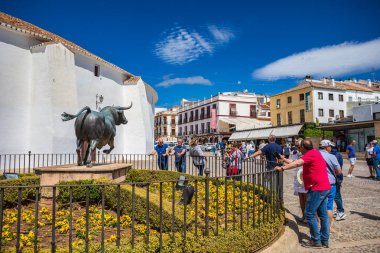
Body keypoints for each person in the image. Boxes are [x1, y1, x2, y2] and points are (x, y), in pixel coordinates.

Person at [275, 139, 331, 249]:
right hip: (324, 186)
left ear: (303, 148)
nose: (299, 149)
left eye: (299, 147)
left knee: (309, 213)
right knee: (323, 215)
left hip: (317, 188)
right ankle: (324, 240)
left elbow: (297, 163)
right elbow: (295, 162)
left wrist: (282, 168)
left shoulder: (310, 154)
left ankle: (316, 240)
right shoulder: (314, 153)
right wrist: (284, 159)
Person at [319, 140, 342, 229]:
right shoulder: (331, 156)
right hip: (330, 184)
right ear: (327, 147)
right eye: (330, 147)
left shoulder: (315, 155)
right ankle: (327, 228)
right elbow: (339, 171)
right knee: (329, 207)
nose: (331, 148)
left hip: (318, 184)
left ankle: (318, 225)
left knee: (318, 206)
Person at [291, 140, 307, 223]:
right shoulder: (295, 153)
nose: (298, 147)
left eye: (299, 146)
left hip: (305, 177)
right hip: (299, 176)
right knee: (301, 198)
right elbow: (294, 162)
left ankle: (308, 217)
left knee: (307, 198)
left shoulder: (308, 154)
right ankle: (304, 216)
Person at [330, 143, 346, 221]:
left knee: (336, 195)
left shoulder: (334, 155)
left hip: (336, 177)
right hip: (337, 177)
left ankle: (341, 212)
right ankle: (339, 209)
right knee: (336, 195)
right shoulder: (337, 154)